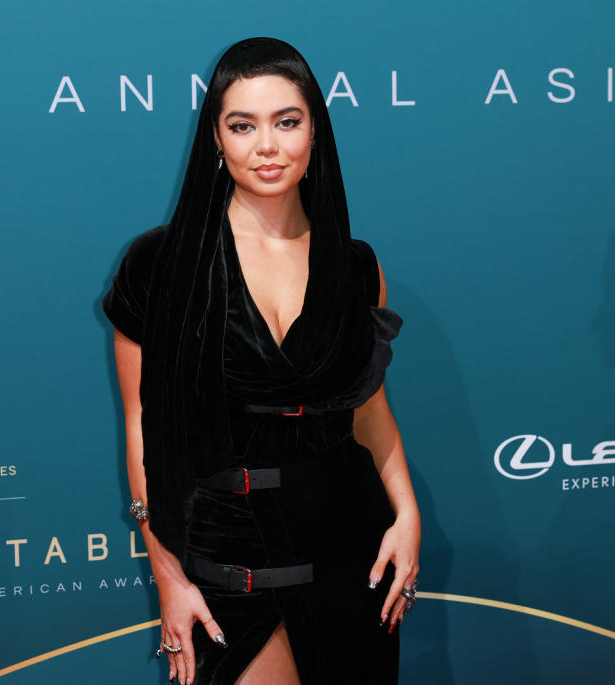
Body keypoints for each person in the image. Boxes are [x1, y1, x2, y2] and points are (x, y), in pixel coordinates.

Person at [102, 37, 421, 684]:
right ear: (216, 141)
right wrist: (167, 576)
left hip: (347, 548)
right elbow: (142, 426)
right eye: (242, 126)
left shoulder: (355, 266)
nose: (266, 146)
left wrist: (407, 514)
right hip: (224, 560)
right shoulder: (158, 266)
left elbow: (366, 407)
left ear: (315, 133)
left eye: (287, 122)